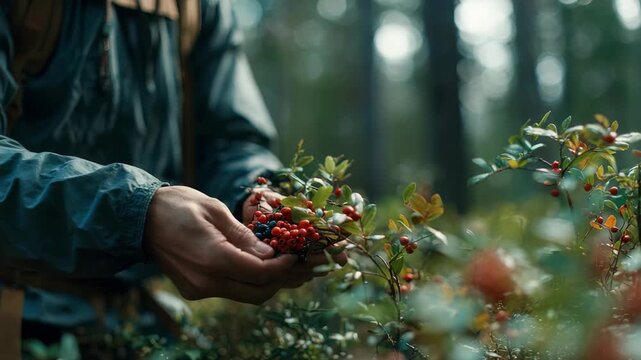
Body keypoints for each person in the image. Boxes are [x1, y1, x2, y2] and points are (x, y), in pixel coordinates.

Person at [0, 0, 345, 342]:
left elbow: (229, 139)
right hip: (17, 318)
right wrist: (136, 214)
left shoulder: (198, 7)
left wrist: (252, 196)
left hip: (138, 322)